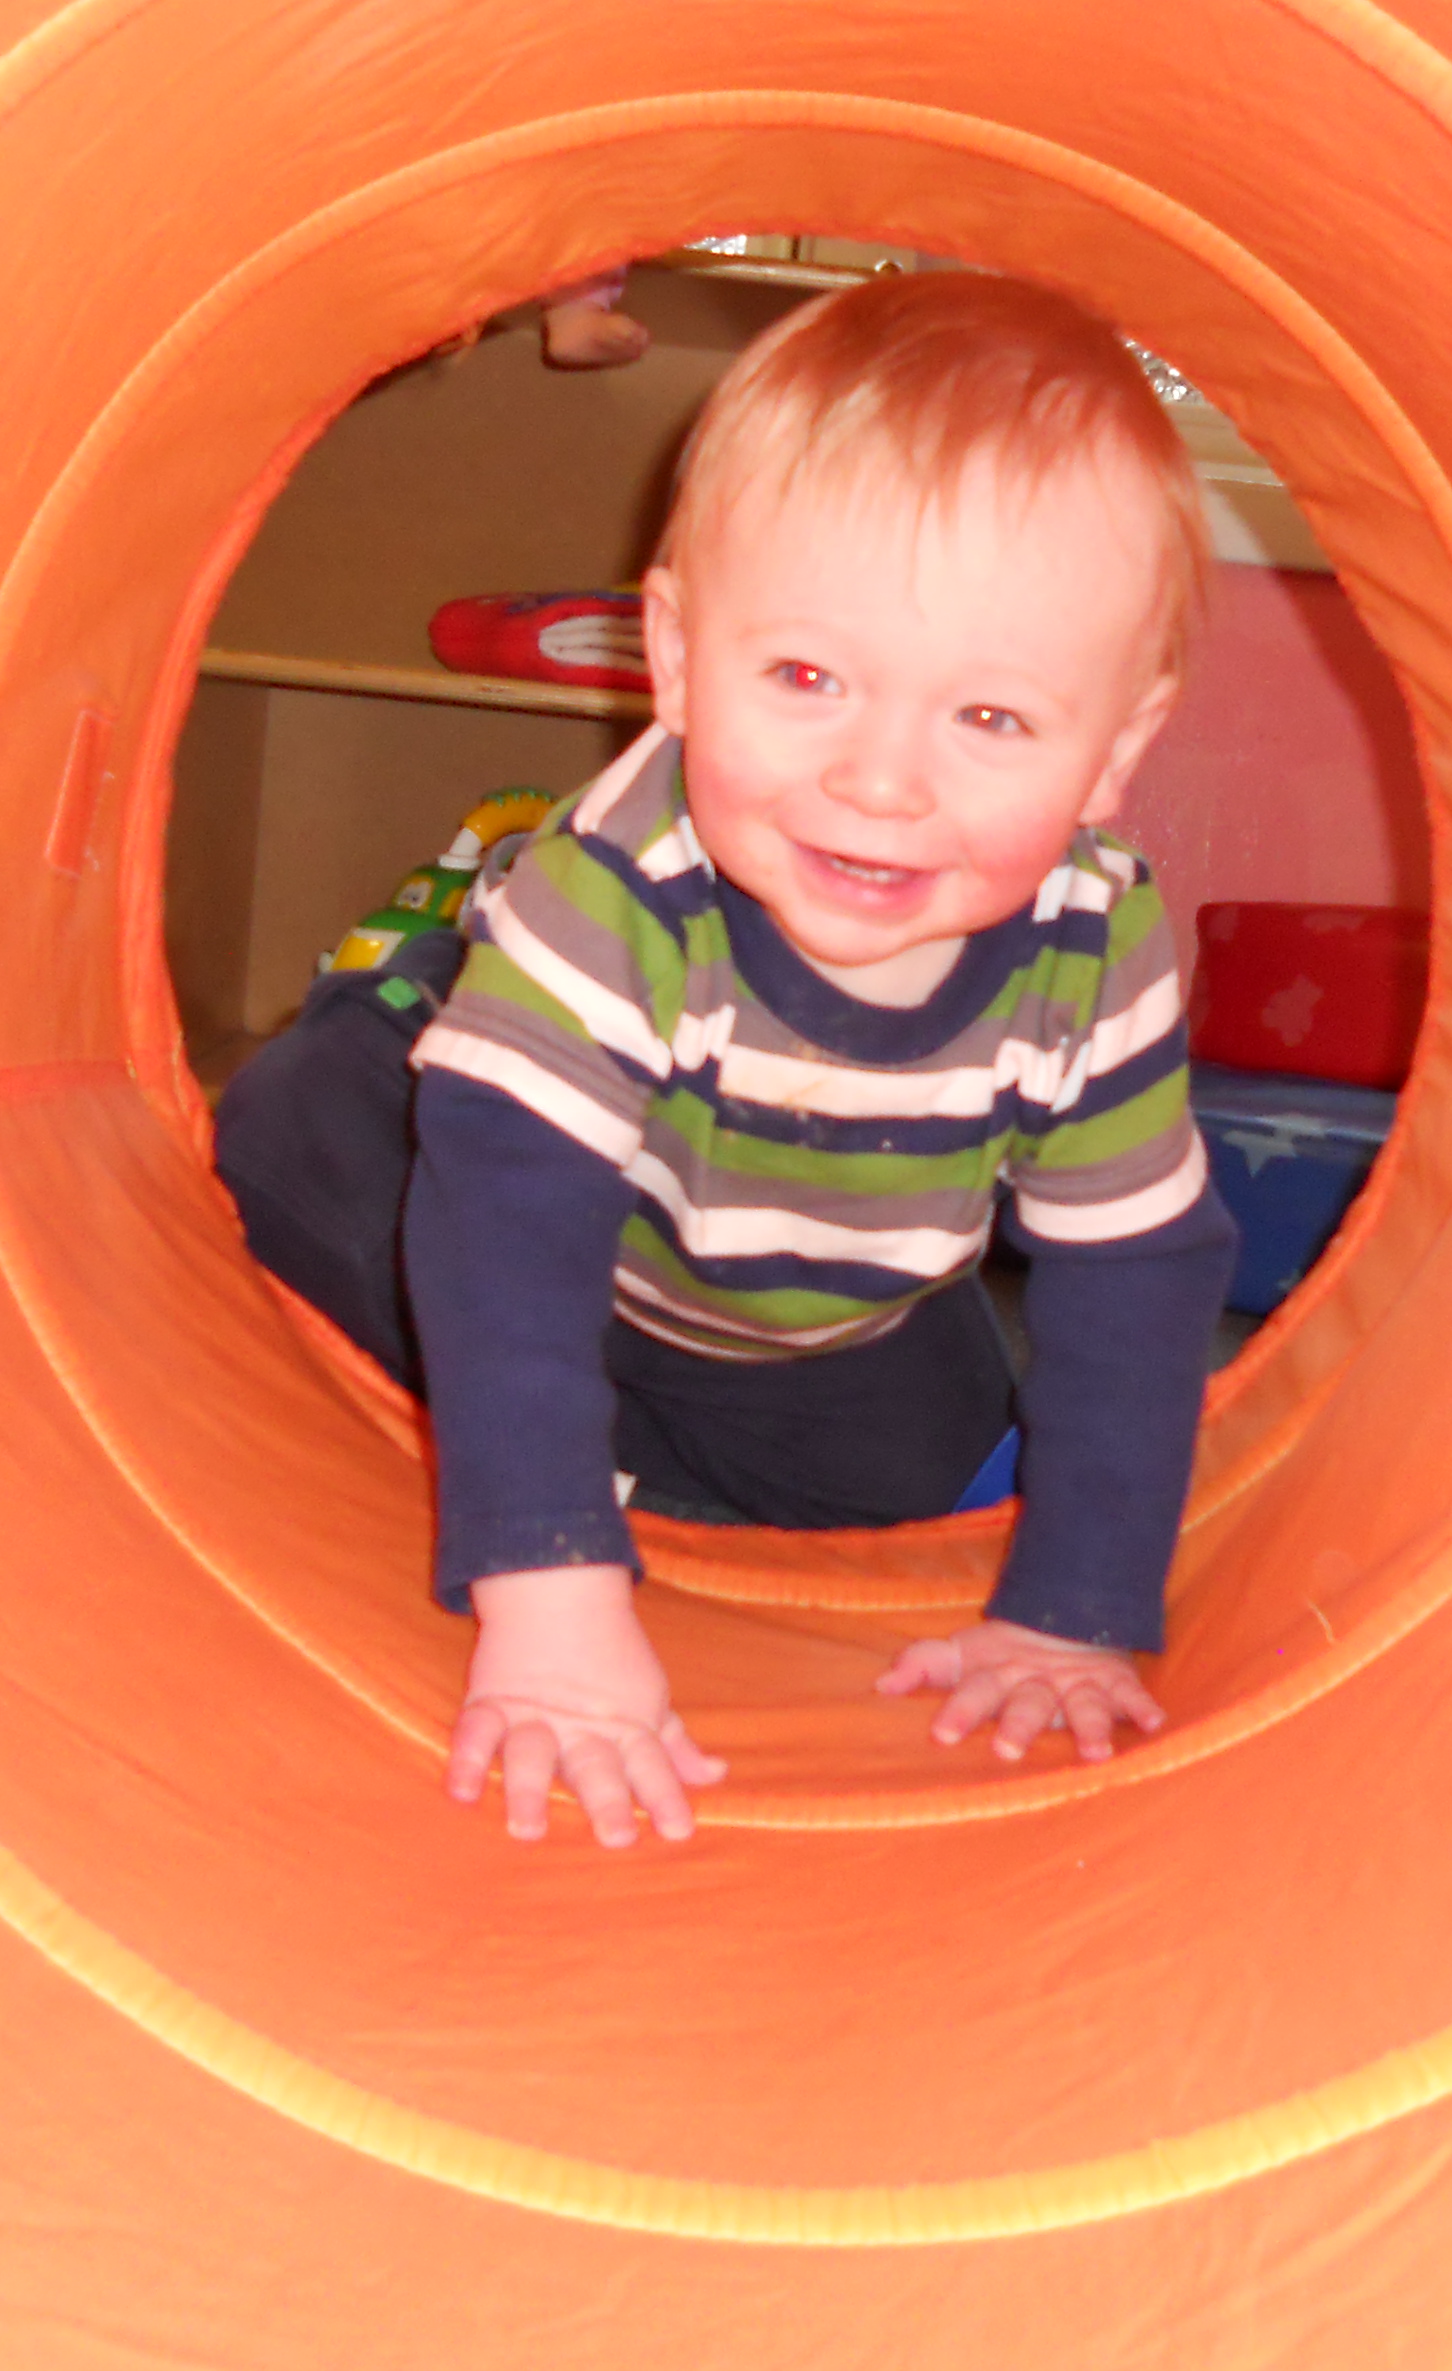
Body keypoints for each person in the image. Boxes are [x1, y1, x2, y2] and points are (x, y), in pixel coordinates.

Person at [210, 269, 1235, 1847]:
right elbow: (506, 1226)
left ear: (1113, 754)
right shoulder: (621, 883)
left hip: (805, 1303)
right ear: (678, 662)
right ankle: (421, 1007)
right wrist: (548, 1595)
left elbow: (1137, 1272)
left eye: (992, 719)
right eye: (809, 680)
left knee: (924, 1467)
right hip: (517, 1185)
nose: (880, 781)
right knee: (308, 1154)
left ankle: (626, 1422)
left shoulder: (1098, 943)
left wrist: (1075, 1610)